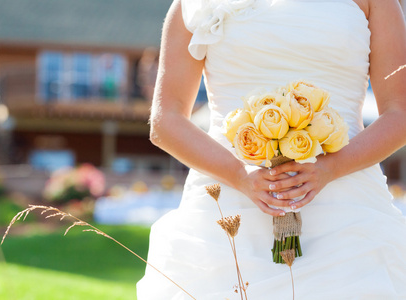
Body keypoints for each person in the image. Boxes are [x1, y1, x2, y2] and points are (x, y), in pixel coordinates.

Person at [137, 0, 406, 299]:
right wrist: (240, 175)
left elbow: (400, 114)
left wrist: (329, 169)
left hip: (347, 207)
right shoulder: (194, 4)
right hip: (229, 202)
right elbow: (166, 121)